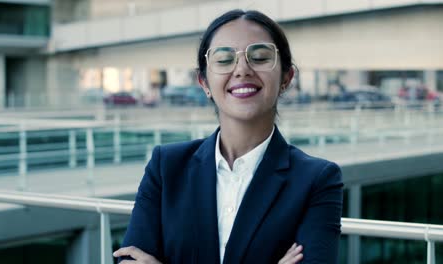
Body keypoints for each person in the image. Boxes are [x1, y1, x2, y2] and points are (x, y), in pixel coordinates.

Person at [113, 9, 343, 264]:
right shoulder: (166, 167)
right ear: (204, 83)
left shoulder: (317, 180)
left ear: (286, 78)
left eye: (260, 57)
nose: (242, 69)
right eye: (224, 60)